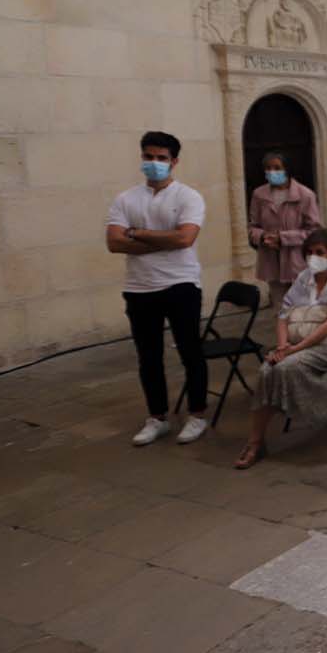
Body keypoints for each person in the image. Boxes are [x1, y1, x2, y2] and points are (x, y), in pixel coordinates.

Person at [106, 130, 210, 447]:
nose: (154, 163)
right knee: (148, 356)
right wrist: (160, 240)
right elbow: (113, 242)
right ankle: (158, 417)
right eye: (149, 157)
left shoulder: (188, 197)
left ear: (174, 161)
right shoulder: (126, 198)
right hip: (140, 288)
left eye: (161, 158)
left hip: (181, 284)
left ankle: (197, 414)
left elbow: (185, 239)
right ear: (142, 158)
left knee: (190, 351)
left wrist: (136, 234)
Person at [233, 229, 327, 470]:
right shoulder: (305, 278)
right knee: (266, 371)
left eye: (320, 252)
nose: (314, 257)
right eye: (310, 253)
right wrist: (282, 346)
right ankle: (255, 441)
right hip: (296, 341)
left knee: (285, 366)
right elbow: (284, 314)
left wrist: (293, 350)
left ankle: (283, 419)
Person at [246, 152, 322, 308]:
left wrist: (283, 238)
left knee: (302, 312)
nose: (272, 172)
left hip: (297, 262)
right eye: (268, 168)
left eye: (277, 168)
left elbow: (313, 230)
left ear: (286, 170)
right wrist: (263, 237)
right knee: (281, 312)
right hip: (271, 262)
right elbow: (253, 226)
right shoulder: (259, 194)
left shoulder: (305, 195)